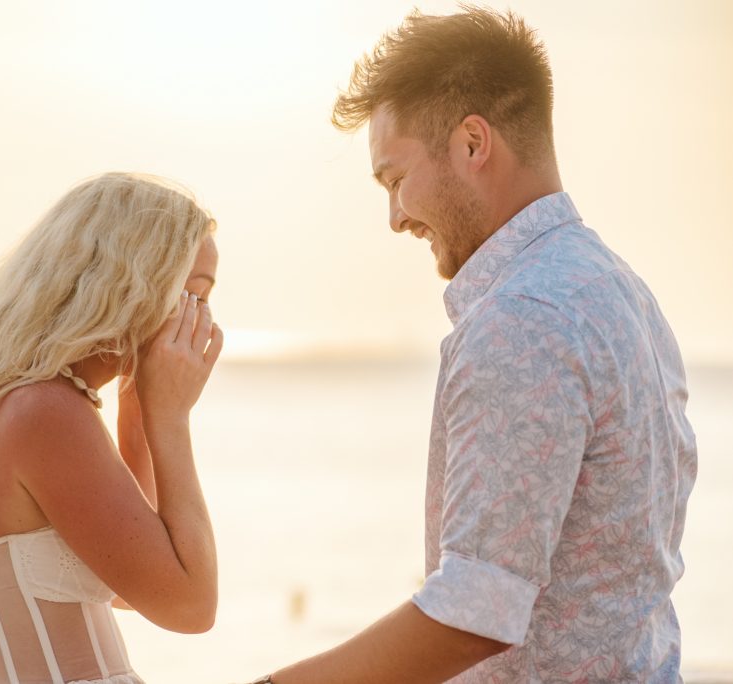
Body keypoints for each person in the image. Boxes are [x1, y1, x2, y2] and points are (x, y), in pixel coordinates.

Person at [249, 7, 696, 683]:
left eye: (395, 179)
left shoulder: (523, 318)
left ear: (470, 143)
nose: (394, 216)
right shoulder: (616, 290)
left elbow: (473, 613)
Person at [0, 172, 223, 684]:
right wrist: (173, 420)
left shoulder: (31, 401)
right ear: (133, 284)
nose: (201, 320)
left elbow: (129, 589)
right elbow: (190, 606)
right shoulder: (43, 412)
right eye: (191, 296)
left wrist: (137, 414)